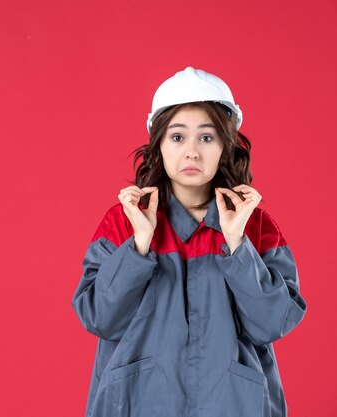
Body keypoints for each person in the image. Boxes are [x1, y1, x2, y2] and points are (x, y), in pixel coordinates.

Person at [71, 67, 307, 417]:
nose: (192, 152)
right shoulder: (124, 221)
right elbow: (100, 318)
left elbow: (273, 323)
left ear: (226, 146)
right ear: (159, 145)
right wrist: (139, 245)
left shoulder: (255, 225)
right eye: (178, 137)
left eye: (207, 138)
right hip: (138, 403)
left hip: (232, 405)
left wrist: (236, 243)